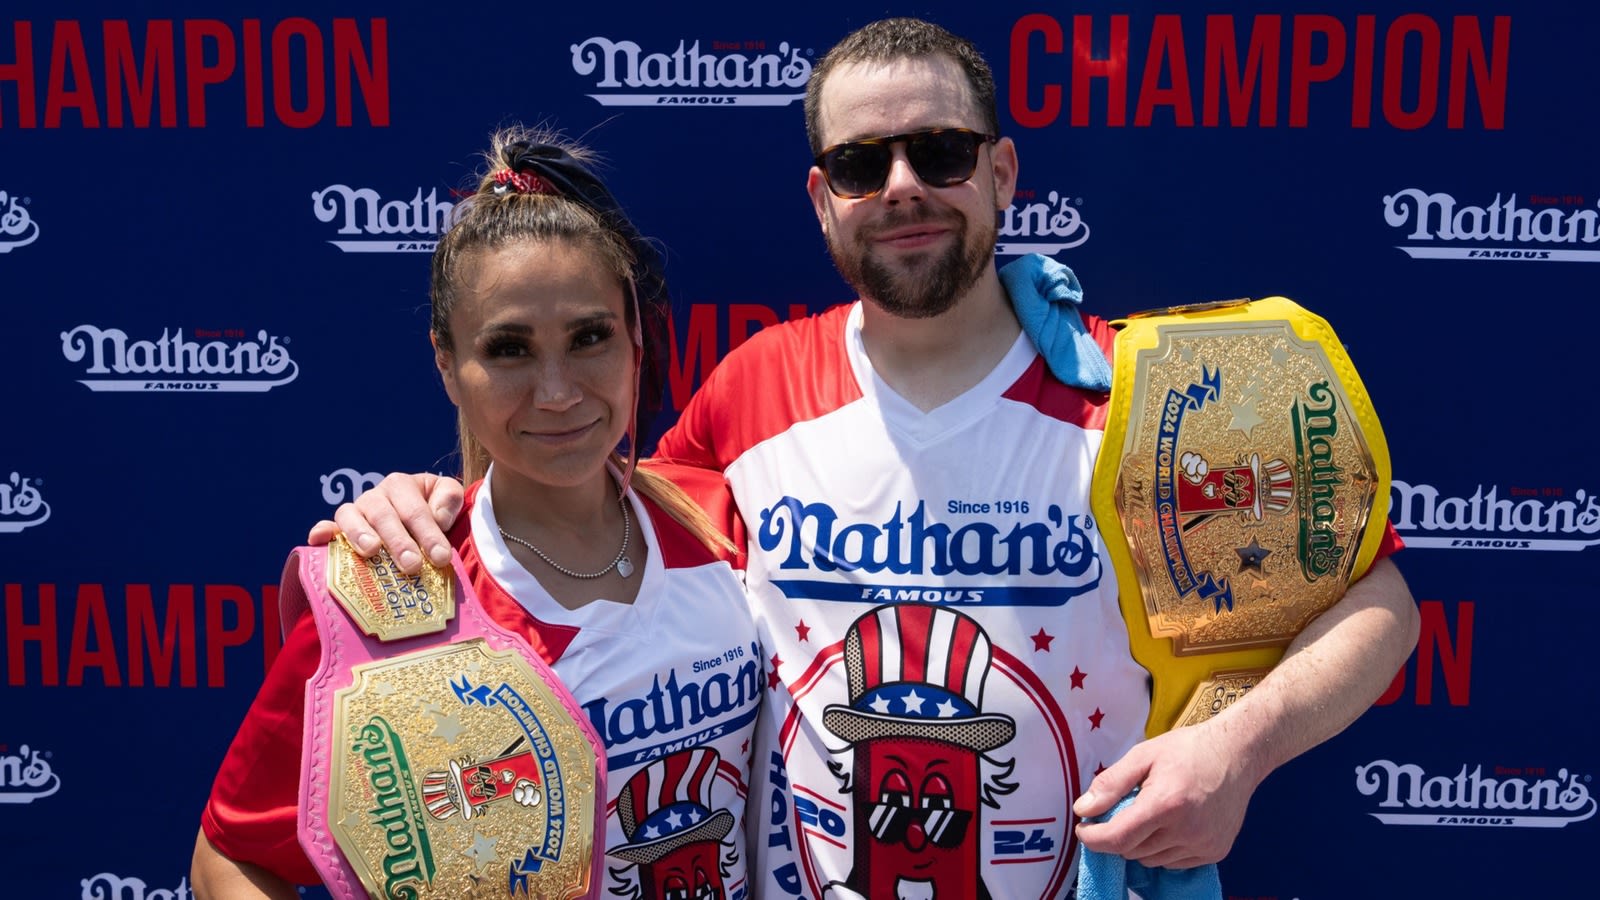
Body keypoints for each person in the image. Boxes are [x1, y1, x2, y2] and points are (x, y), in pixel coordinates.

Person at [317, 18, 1420, 900]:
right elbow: (583, 505)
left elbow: (1377, 604)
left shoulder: (1138, 398)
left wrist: (1234, 754)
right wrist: (432, 502)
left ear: (1000, 174)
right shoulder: (753, 388)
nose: (900, 185)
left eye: (938, 152)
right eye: (859, 161)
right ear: (821, 198)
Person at [192, 128, 761, 900]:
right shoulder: (393, 598)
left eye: (589, 337)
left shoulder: (722, 516)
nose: (558, 392)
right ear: (446, 365)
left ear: (635, 338)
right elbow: (234, 854)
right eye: (509, 350)